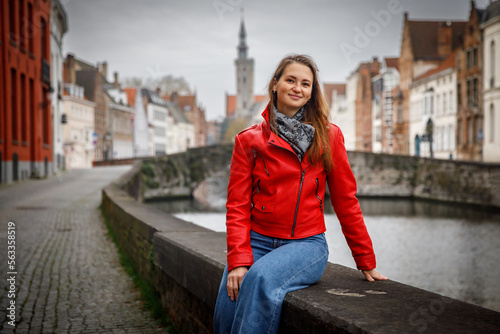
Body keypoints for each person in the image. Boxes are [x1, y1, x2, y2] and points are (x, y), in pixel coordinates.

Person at [213, 54, 387, 334]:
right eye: (290, 80)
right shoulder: (249, 140)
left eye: (305, 84)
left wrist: (365, 259)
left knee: (258, 278)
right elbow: (237, 206)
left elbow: (345, 201)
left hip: (306, 245)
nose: (297, 88)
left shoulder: (330, 137)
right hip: (257, 240)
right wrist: (237, 260)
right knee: (228, 301)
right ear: (275, 85)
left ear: (311, 94)